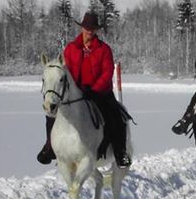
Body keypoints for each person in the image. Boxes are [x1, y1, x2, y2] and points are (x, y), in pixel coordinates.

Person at [37, 12, 132, 168]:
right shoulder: (71, 49)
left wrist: (94, 89)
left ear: (96, 31)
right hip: (76, 92)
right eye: (87, 28)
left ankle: (120, 152)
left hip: (100, 93)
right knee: (52, 113)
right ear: (82, 28)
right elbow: (64, 71)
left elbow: (107, 72)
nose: (89, 31)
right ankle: (50, 148)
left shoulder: (104, 49)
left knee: (115, 115)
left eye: (92, 29)